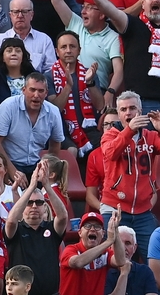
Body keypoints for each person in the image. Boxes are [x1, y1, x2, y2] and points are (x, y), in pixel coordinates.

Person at [44, 0, 123, 107]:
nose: (83, 11)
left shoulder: (113, 37)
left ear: (102, 14)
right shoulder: (75, 23)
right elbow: (57, 0)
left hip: (95, 93)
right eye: (83, 7)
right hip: (65, 88)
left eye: (89, 8)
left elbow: (118, 70)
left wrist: (110, 92)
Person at [100, 91, 160, 260]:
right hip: (114, 208)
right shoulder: (110, 134)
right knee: (113, 260)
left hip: (143, 211)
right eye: (123, 109)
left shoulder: (151, 136)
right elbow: (110, 153)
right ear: (118, 114)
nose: (128, 113)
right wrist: (129, 131)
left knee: (154, 259)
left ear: (140, 111)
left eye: (132, 108)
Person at [87, 0, 160, 113]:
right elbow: (114, 13)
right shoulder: (135, 25)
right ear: (143, 4)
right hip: (141, 103)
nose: (155, 0)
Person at [4, 160, 69, 295]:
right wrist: (32, 185)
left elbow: (63, 217)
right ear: (23, 206)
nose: (34, 206)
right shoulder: (17, 229)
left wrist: (46, 186)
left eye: (39, 202)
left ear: (44, 206)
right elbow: (10, 221)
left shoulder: (51, 229)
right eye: (29, 203)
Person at [0, 72, 64, 183]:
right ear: (24, 90)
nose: (36, 95)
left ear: (46, 93)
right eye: (32, 90)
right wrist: (13, 172)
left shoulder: (53, 112)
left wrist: (44, 170)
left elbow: (55, 145)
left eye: (41, 91)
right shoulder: (8, 106)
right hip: (7, 164)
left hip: (36, 165)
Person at [0, 0, 56, 76]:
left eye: (24, 11)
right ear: (10, 15)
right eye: (16, 12)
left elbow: (51, 71)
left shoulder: (44, 40)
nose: (20, 15)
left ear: (32, 15)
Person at [60, 209, 126, 295]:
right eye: (87, 226)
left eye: (97, 226)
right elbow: (78, 262)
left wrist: (115, 230)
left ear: (103, 233)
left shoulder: (106, 252)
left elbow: (120, 261)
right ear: (80, 232)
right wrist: (108, 241)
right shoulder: (71, 249)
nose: (92, 229)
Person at [107, 226, 158, 295]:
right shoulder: (103, 271)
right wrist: (124, 273)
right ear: (110, 247)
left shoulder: (145, 271)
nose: (123, 248)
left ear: (134, 248)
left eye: (127, 243)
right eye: (118, 243)